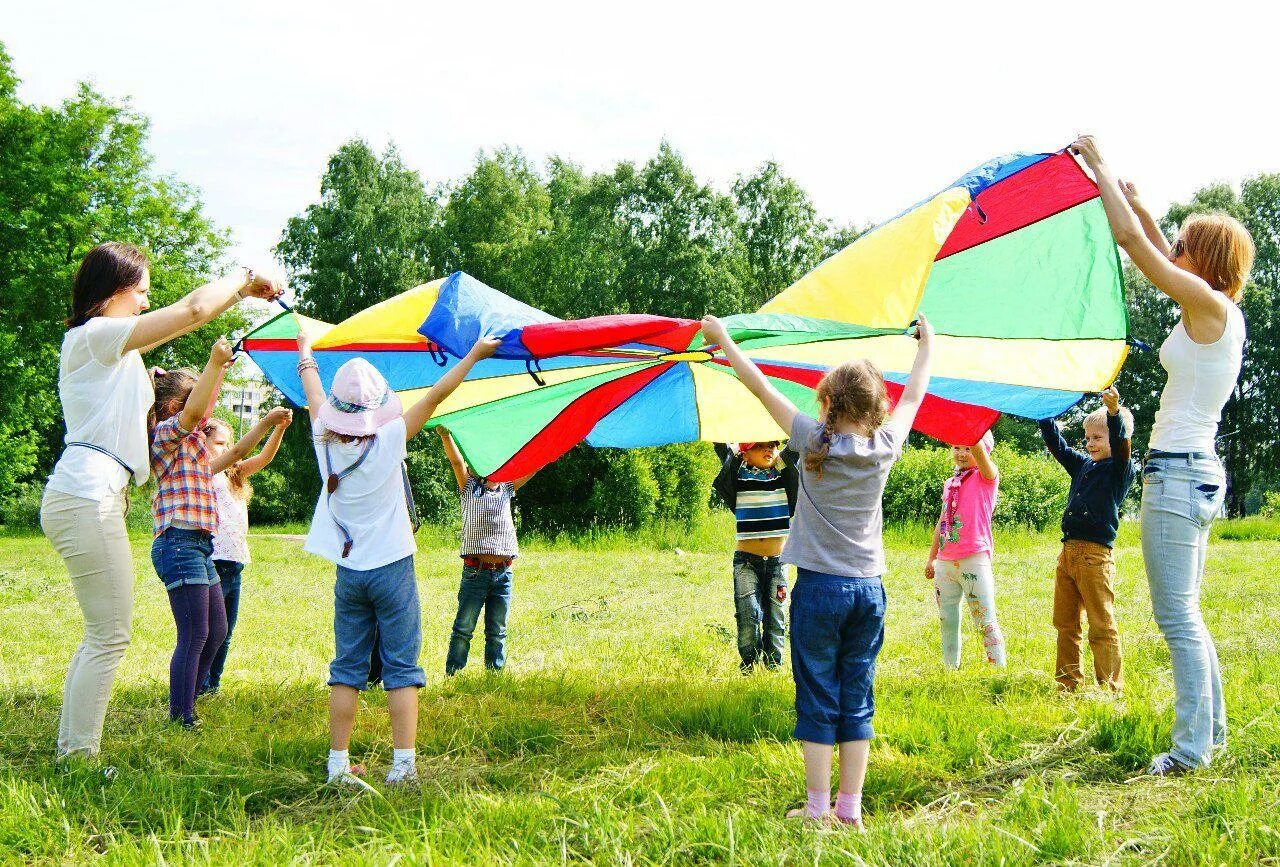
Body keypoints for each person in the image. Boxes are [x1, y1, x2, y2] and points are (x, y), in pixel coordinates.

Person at [40, 242, 281, 758]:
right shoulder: (95, 336)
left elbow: (175, 346)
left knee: (103, 634)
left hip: (91, 491)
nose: (148, 302)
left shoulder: (110, 352)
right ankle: (78, 757)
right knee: (109, 635)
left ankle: (72, 750)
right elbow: (191, 312)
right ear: (114, 291)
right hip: (87, 491)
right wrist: (244, 279)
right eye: (143, 290)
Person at [700, 312, 934, 830]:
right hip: (869, 591)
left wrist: (723, 340)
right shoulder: (887, 446)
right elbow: (916, 394)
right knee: (857, 693)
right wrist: (926, 347)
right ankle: (849, 810)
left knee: (817, 695)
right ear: (876, 410)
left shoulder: (809, 439)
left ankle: (815, 808)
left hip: (821, 592)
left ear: (826, 403)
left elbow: (759, 387)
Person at [1071, 136, 1254, 775]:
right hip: (1193, 474)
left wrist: (1100, 169)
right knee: (1190, 612)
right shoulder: (1213, 312)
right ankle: (1215, 735)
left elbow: (1141, 253)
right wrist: (1142, 206)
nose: (1173, 246)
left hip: (1178, 476)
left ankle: (1188, 751)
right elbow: (1154, 246)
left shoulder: (1208, 307)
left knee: (1176, 617)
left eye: (1184, 243)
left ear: (1204, 260)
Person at [297, 329, 499, 787]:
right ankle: (402, 766)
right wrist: (476, 353)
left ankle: (337, 766)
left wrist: (305, 347)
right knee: (402, 668)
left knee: (346, 669)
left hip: (348, 572)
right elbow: (439, 393)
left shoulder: (321, 436)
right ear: (377, 407)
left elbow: (309, 382)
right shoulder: (389, 439)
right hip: (392, 569)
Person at [150, 342, 287, 728]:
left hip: (198, 546)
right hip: (177, 543)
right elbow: (196, 412)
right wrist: (215, 362)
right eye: (195, 402)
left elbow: (237, 453)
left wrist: (266, 424)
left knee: (217, 630)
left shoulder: (194, 449)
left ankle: (188, 699)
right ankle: (181, 716)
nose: (204, 414)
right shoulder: (164, 437)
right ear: (175, 407)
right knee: (194, 633)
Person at [1039, 386, 1136, 692]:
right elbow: (1059, 447)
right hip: (1067, 554)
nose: (1090, 443)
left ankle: (1110, 688)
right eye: (1088, 437)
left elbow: (1122, 445)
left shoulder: (1120, 469)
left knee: (1101, 625)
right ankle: (1067, 684)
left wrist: (1113, 413)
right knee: (1065, 624)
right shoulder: (1084, 466)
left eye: (1098, 437)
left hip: (1095, 557)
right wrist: (1045, 416)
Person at [198, 410, 294, 695]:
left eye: (228, 444)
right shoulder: (204, 470)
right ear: (200, 442)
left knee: (224, 631)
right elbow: (242, 451)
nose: (226, 450)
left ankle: (212, 683)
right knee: (210, 630)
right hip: (213, 559)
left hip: (234, 561)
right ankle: (200, 682)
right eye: (219, 443)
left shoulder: (233, 474)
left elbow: (263, 458)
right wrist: (266, 423)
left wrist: (280, 430)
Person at [438, 427, 538, 676]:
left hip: (504, 573)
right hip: (476, 572)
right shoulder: (468, 486)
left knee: (497, 629)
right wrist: (445, 435)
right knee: (464, 626)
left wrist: (547, 449)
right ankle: (454, 672)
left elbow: (533, 467)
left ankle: (494, 672)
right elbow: (455, 460)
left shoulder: (506, 487)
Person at [713, 440, 799, 672]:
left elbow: (797, 442)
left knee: (776, 617)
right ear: (745, 454)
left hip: (778, 563)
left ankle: (773, 665)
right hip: (746, 562)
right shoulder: (738, 473)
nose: (769, 449)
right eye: (760, 446)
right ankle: (749, 665)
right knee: (747, 615)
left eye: (772, 445)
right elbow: (721, 443)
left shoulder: (781, 472)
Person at [924, 432, 1005, 669]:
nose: (961, 453)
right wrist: (932, 558)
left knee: (984, 617)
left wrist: (970, 427)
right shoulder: (950, 483)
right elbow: (942, 522)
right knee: (947, 617)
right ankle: (950, 667)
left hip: (974, 558)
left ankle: (998, 669)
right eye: (957, 447)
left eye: (968, 448)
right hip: (946, 561)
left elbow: (980, 452)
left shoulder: (986, 477)